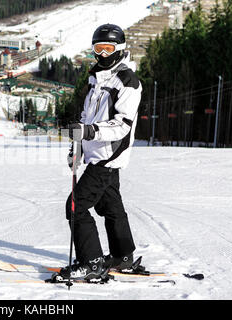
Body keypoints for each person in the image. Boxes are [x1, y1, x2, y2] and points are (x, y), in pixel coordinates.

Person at [60, 24, 142, 281]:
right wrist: (77, 150)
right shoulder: (95, 79)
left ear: (119, 49)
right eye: (99, 48)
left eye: (108, 48)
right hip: (96, 154)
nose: (103, 54)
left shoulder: (128, 82)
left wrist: (89, 132)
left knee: (75, 207)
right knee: (111, 206)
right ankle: (123, 256)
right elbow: (86, 117)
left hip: (109, 156)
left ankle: (92, 263)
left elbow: (122, 126)